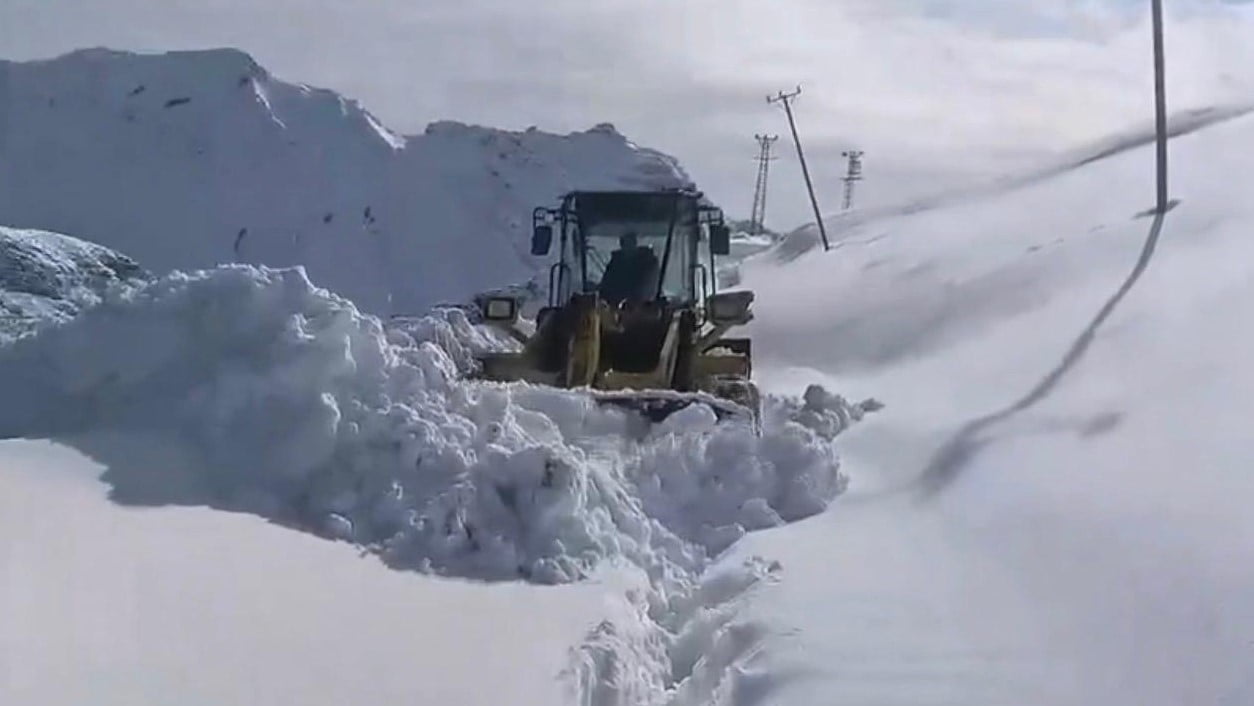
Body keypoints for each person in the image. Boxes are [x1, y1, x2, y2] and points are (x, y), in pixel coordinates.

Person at [598, 232, 659, 304]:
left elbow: (649, 289)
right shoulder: (614, 265)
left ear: (635, 244)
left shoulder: (649, 263)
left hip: (643, 306)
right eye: (625, 243)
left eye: (630, 243)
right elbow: (605, 289)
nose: (628, 247)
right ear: (621, 245)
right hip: (615, 306)